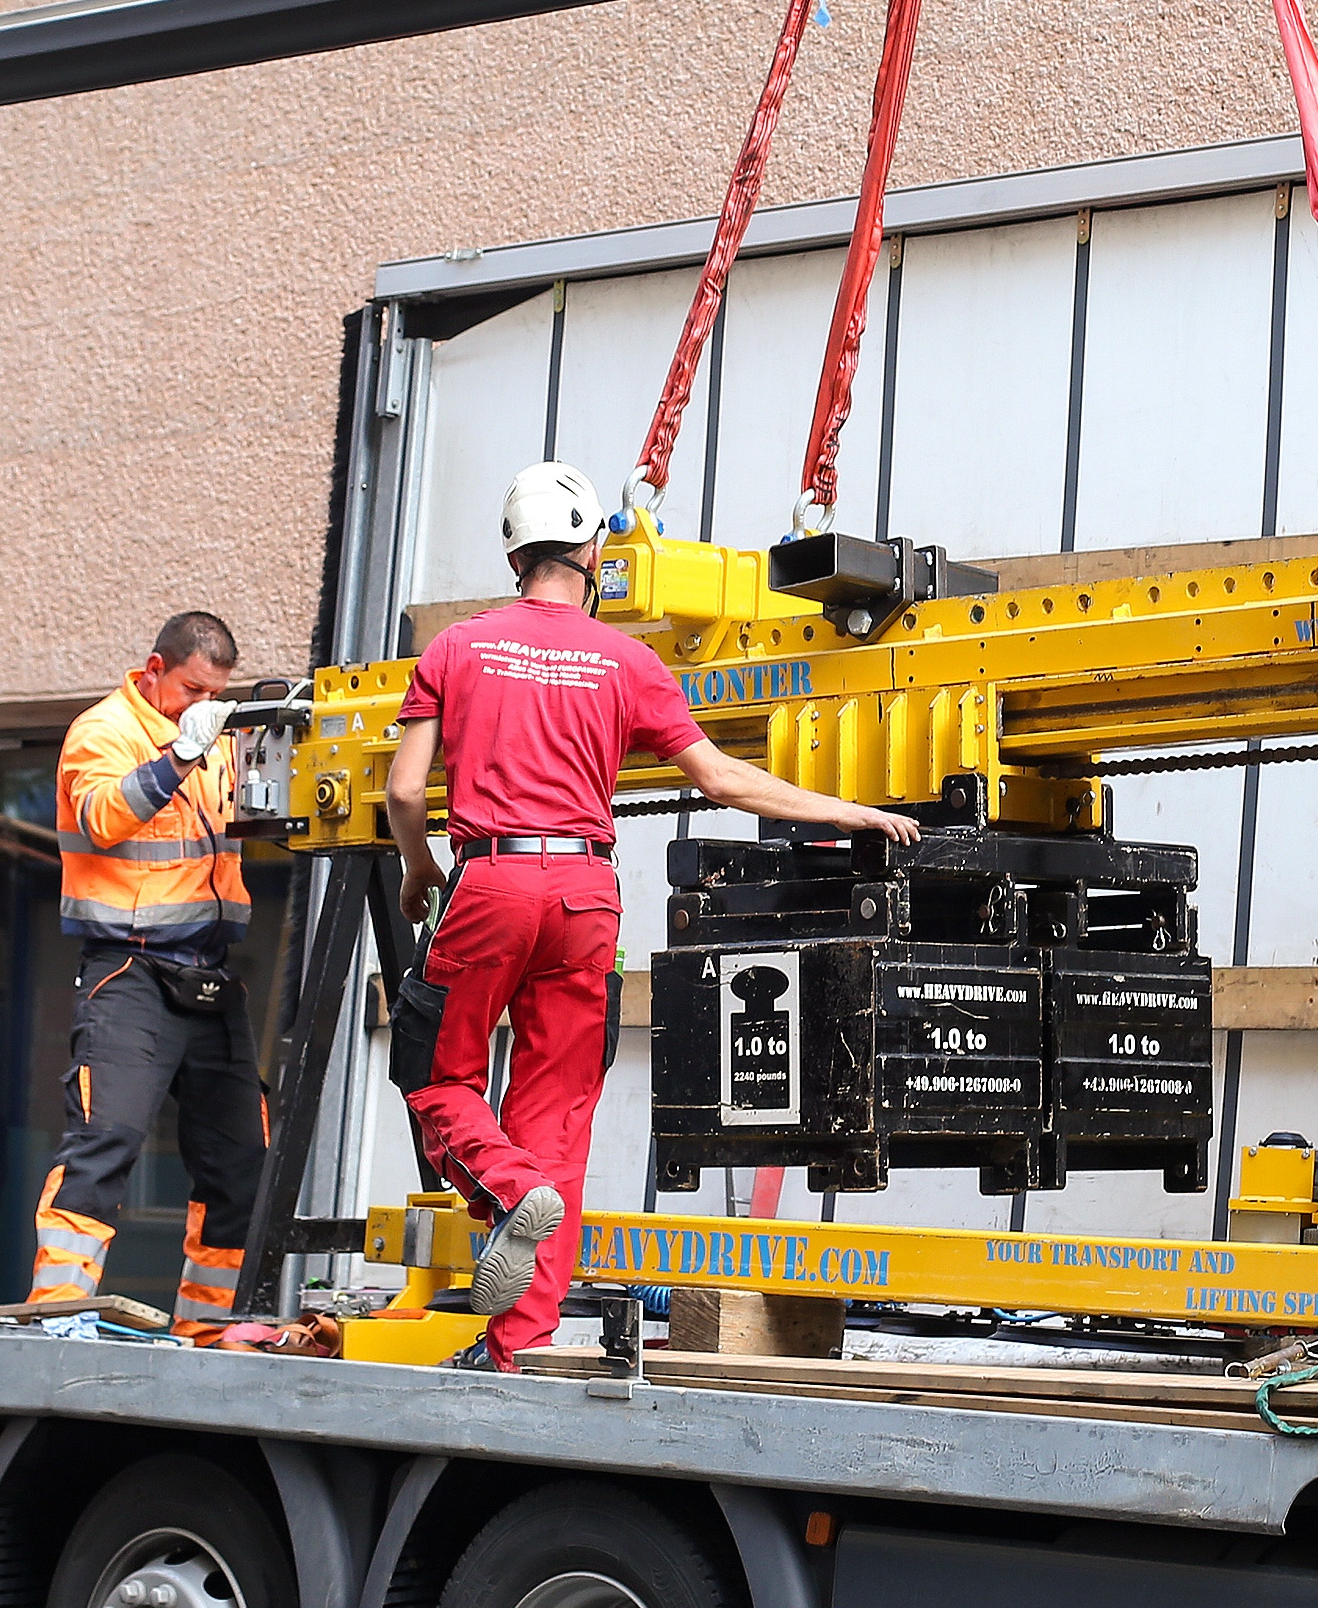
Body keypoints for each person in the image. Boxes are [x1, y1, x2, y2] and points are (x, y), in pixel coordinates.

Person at [383, 463, 922, 1366]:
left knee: (437, 1076)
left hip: (491, 883)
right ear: (594, 551)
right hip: (589, 895)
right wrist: (847, 811)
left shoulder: (456, 650)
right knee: (558, 1117)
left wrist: (417, 870)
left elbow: (405, 790)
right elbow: (720, 778)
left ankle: (509, 1191)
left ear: (513, 554)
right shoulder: (628, 661)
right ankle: (520, 1346)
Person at [30, 610, 266, 1334]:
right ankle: (59, 1313)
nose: (204, 706)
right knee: (106, 1144)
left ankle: (208, 1324)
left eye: (216, 695)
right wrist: (177, 759)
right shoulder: (103, 732)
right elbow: (102, 817)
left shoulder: (217, 739)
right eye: (192, 689)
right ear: (154, 668)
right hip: (128, 973)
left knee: (240, 1164)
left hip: (208, 975)